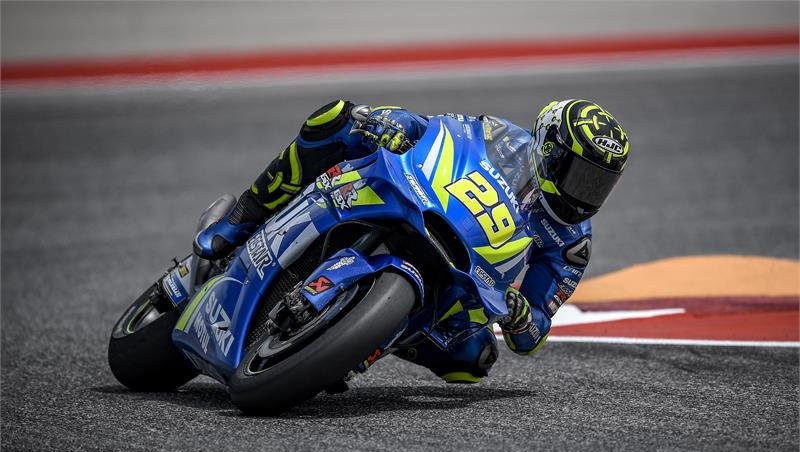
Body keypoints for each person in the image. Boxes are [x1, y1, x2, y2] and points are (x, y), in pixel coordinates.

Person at [194, 99, 629, 384]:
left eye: (600, 184)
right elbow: (437, 130)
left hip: (470, 280)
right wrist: (394, 124)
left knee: (474, 359)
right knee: (338, 119)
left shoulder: (572, 243)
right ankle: (240, 219)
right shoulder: (502, 137)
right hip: (426, 204)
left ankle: (356, 341)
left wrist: (519, 315)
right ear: (551, 150)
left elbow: (534, 332)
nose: (587, 194)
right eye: (582, 175)